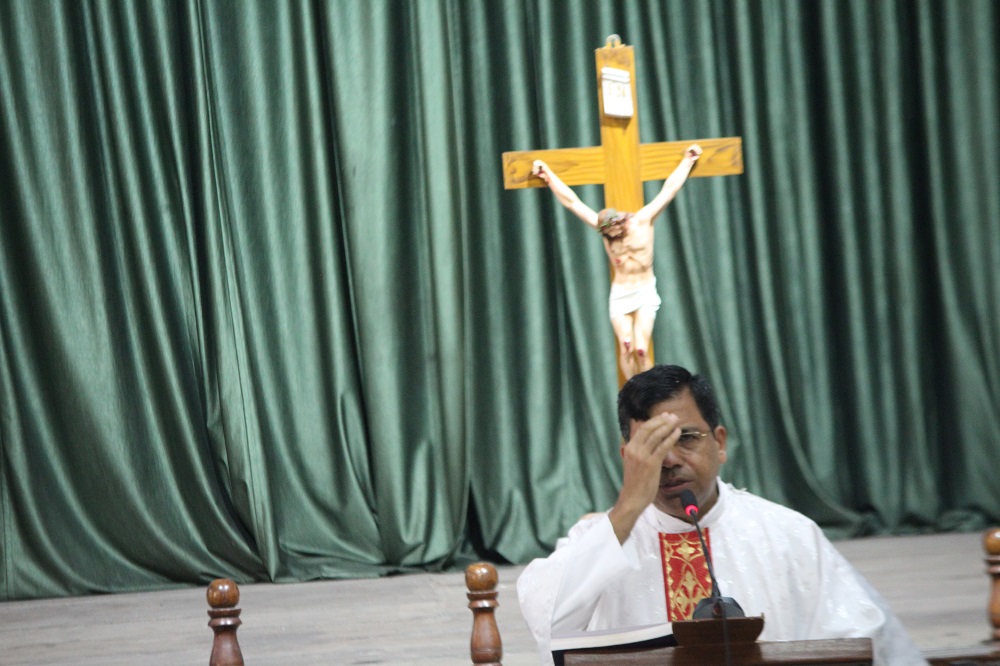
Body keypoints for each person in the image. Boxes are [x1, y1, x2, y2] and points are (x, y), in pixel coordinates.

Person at [516, 364, 926, 665]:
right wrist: (628, 507)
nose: (670, 460)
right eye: (653, 447)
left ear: (720, 442)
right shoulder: (600, 540)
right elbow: (549, 627)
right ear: (628, 457)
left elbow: (864, 641)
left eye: (686, 438)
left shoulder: (788, 534)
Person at [532, 146, 702, 379]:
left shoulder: (642, 221)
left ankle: (650, 391)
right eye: (607, 233)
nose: (612, 236)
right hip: (621, 292)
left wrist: (688, 161)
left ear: (621, 223)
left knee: (641, 349)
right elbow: (572, 202)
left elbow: (669, 190)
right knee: (626, 345)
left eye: (614, 231)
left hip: (644, 289)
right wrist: (548, 175)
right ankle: (633, 390)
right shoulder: (604, 231)